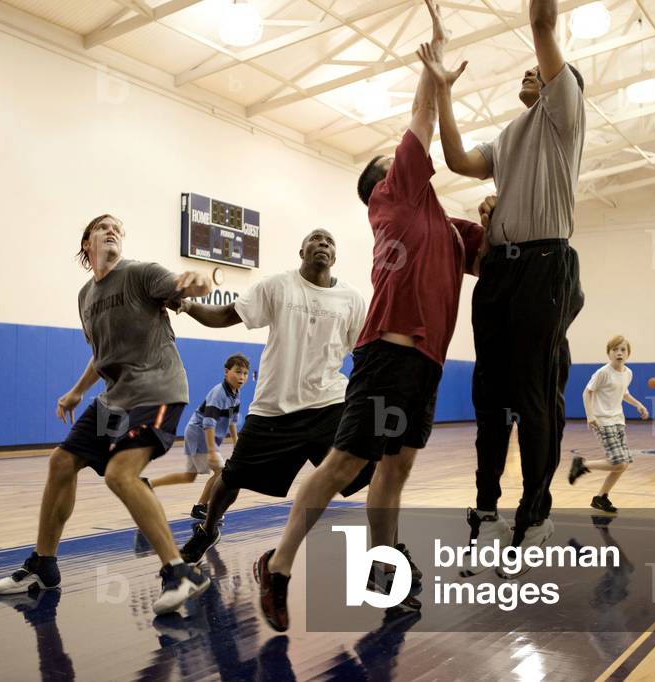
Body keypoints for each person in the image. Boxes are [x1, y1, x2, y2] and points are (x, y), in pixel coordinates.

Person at [254, 0, 486, 632]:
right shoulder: (392, 197)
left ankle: (382, 574)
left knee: (397, 468)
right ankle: (276, 567)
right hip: (387, 354)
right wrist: (434, 75)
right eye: (397, 159)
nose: (409, 159)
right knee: (344, 465)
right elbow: (421, 125)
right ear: (381, 183)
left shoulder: (446, 224)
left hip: (427, 364)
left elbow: (494, 255)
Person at [421, 0, 586, 563]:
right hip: (500, 272)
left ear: (559, 81)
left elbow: (541, 23)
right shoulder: (510, 135)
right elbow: (457, 158)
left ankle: (534, 515)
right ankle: (486, 511)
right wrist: (443, 90)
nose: (529, 68)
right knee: (490, 399)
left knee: (536, 398)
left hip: (544, 263)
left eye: (539, 68)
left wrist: (545, 32)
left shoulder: (563, 112)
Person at [0, 214, 212, 615]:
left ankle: (180, 571)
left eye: (118, 228)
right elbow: (102, 354)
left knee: (120, 474)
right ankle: (44, 564)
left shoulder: (143, 274)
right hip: (115, 398)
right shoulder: (85, 297)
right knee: (61, 462)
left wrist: (198, 281)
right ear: (86, 244)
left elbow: (187, 286)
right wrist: (77, 391)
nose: (112, 231)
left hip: (157, 389)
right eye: (103, 227)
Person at [177, 229, 375, 565]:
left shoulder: (352, 298)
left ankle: (384, 553)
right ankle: (209, 529)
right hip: (274, 408)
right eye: (316, 239)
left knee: (373, 471)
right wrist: (187, 305)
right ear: (302, 250)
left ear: (335, 256)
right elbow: (227, 315)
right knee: (230, 478)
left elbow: (364, 352)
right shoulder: (277, 286)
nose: (323, 244)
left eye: (330, 241)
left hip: (329, 405)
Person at [144, 353, 248, 523]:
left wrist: (236, 442)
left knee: (189, 476)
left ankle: (149, 484)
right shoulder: (219, 394)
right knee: (221, 472)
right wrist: (213, 451)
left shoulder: (235, 396)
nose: (241, 377)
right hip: (199, 433)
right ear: (226, 372)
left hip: (199, 433)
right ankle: (200, 507)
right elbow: (208, 423)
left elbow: (232, 421)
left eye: (244, 373)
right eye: (237, 372)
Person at [568, 336, 649, 514]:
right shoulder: (603, 373)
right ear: (609, 353)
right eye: (615, 350)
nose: (619, 353)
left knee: (623, 464)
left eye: (622, 350)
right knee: (618, 462)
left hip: (618, 421)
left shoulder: (628, 373)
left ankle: (601, 498)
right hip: (602, 421)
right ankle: (582, 465)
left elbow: (624, 394)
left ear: (628, 353)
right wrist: (590, 415)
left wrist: (638, 405)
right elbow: (586, 392)